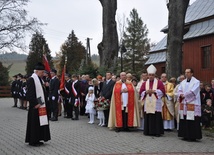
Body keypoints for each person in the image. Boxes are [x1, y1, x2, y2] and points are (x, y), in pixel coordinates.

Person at [25, 62, 51, 146]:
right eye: (42, 72)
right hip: (35, 106)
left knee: (40, 123)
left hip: (41, 104)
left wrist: (46, 87)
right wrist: (36, 103)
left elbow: (42, 92)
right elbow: (30, 94)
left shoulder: (40, 79)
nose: (43, 74)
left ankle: (39, 138)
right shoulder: (31, 79)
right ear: (36, 71)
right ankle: (33, 141)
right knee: (35, 123)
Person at [140, 65, 165, 137]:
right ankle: (148, 131)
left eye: (152, 75)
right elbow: (141, 91)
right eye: (149, 75)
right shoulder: (144, 83)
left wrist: (154, 91)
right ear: (148, 75)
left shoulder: (159, 82)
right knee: (148, 115)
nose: (150, 76)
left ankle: (157, 132)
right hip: (148, 101)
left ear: (154, 75)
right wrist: (146, 92)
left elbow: (163, 91)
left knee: (156, 116)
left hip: (156, 102)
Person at [178, 68, 202, 141]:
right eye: (185, 72)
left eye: (188, 72)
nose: (186, 74)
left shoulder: (196, 82)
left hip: (193, 103)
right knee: (184, 118)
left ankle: (192, 136)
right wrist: (181, 94)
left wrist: (184, 96)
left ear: (192, 73)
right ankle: (184, 135)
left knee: (192, 119)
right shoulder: (183, 82)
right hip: (184, 103)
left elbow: (193, 92)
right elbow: (179, 90)